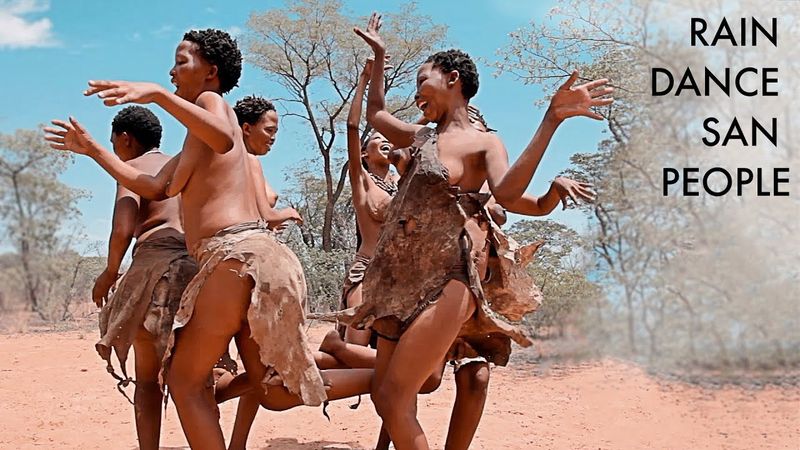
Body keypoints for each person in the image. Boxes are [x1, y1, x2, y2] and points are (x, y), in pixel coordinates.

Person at [44, 28, 335, 449]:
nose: (172, 70)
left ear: (211, 71)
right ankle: (386, 375)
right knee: (263, 388)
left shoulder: (212, 103)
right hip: (225, 262)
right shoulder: (191, 142)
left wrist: (159, 95)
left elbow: (217, 134)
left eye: (181, 62)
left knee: (171, 381)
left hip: (223, 258)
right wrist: (93, 151)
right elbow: (156, 187)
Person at [342, 13, 613, 449]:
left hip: (451, 277)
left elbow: (507, 195)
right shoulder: (418, 137)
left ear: (453, 79)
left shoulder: (484, 143)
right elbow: (374, 113)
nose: (415, 94)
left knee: (398, 394)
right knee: (387, 396)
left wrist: (551, 119)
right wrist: (377, 59)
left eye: (421, 79)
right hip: (400, 281)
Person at [88, 105, 198, 450]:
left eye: (113, 143)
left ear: (125, 139)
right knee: (197, 380)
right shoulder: (180, 166)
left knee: (148, 381)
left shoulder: (132, 169)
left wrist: (109, 273)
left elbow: (122, 229)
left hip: (154, 269)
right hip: (196, 268)